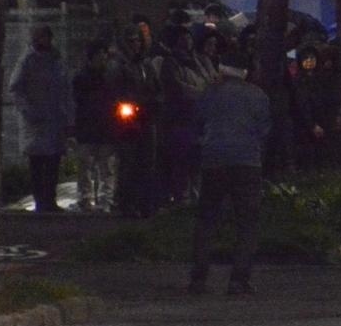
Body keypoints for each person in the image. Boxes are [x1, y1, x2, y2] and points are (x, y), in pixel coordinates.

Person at [189, 49, 271, 295]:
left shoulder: (210, 93)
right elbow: (264, 128)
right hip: (247, 161)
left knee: (207, 220)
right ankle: (239, 279)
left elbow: (198, 121)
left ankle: (199, 278)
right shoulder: (257, 95)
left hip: (213, 159)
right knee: (247, 222)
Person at [8, 24, 74, 213]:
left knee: (53, 162)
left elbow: (65, 89)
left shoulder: (56, 60)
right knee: (38, 163)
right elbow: (15, 88)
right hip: (36, 121)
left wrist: (68, 117)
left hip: (54, 119)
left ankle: (49, 200)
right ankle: (40, 201)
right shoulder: (27, 61)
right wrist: (29, 111)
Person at [113, 22, 162, 217]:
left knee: (147, 161)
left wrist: (153, 105)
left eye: (138, 41)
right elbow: (116, 91)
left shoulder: (146, 64)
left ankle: (145, 203)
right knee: (128, 163)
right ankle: (126, 203)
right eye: (131, 41)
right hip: (127, 120)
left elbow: (157, 89)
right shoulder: (118, 65)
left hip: (146, 118)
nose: (135, 45)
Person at [158, 25, 207, 205]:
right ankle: (182, 200)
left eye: (189, 38)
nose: (187, 42)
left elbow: (206, 81)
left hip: (195, 120)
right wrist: (200, 92)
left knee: (195, 164)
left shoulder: (196, 61)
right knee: (182, 163)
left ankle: (194, 199)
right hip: (180, 119)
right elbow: (177, 88)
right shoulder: (171, 62)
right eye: (183, 38)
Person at [70, 41, 119, 213]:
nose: (103, 59)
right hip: (89, 128)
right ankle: (88, 199)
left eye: (104, 55)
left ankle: (103, 199)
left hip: (103, 127)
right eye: (100, 55)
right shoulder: (83, 78)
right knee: (89, 166)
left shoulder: (108, 77)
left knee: (105, 166)